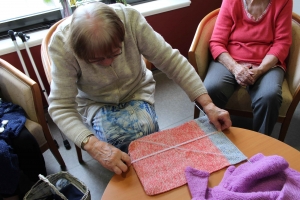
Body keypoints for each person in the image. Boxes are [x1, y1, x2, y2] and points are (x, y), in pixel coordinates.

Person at [48, 2, 231, 175]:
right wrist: (93, 145)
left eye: (114, 54)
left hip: (136, 88)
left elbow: (171, 60)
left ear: (122, 35)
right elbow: (60, 107)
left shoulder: (131, 20)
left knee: (146, 132)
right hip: (95, 100)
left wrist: (208, 104)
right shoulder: (61, 45)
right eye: (97, 60)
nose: (108, 63)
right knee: (116, 141)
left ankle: (154, 175)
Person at [204, 0, 292, 135]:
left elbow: (282, 43)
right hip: (231, 58)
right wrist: (235, 68)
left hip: (267, 61)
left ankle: (261, 142)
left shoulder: (284, 2)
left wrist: (261, 69)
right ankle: (212, 138)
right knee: (212, 88)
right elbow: (216, 42)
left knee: (269, 96)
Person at [0, 99, 46, 200]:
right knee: (2, 155)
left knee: (25, 140)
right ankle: (11, 194)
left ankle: (41, 182)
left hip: (2, 113)